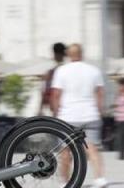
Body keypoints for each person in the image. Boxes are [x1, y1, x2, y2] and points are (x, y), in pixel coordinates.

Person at [51, 44, 108, 188]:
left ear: (69, 55)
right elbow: (100, 93)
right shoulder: (94, 70)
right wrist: (99, 111)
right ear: (82, 54)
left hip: (67, 116)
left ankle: (65, 182)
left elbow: (55, 95)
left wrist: (56, 113)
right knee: (92, 148)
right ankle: (100, 179)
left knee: (65, 151)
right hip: (90, 114)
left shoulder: (61, 71)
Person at [40, 43, 66, 115]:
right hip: (69, 109)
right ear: (64, 54)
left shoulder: (50, 72)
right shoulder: (71, 70)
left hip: (55, 110)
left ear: (54, 54)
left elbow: (44, 92)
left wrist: (40, 109)